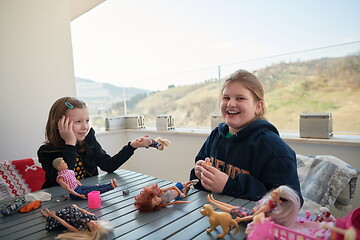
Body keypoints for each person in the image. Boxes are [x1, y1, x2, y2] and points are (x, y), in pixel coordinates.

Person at [189, 69, 303, 204]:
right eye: (226, 98)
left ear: (258, 106)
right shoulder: (215, 136)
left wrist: (229, 185)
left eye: (240, 98)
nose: (231, 103)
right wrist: (199, 173)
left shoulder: (272, 146)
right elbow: (198, 179)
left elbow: (290, 201)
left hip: (252, 223)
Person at [38, 96, 155, 189]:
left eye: (87, 121)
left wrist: (132, 146)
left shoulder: (89, 142)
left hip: (87, 197)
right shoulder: (46, 152)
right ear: (59, 124)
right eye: (78, 121)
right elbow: (64, 181)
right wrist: (70, 143)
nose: (85, 127)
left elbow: (109, 165)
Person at [207, 185, 301, 227]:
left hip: (247, 216)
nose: (272, 193)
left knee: (229, 209)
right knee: (231, 206)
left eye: (275, 194)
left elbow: (253, 216)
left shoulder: (267, 207)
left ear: (280, 200)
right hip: (248, 212)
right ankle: (213, 200)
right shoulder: (271, 205)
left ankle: (213, 202)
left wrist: (240, 219)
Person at [52, 157, 118, 200]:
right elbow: (68, 189)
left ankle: (109, 184)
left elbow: (74, 180)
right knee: (92, 191)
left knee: (93, 187)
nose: (66, 163)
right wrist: (79, 195)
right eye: (63, 163)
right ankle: (110, 187)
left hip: (79, 188)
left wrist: (81, 186)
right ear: (59, 167)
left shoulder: (69, 171)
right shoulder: (60, 178)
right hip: (75, 193)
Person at [40, 204, 113, 240]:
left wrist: (55, 217)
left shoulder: (81, 228)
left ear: (90, 231)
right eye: (96, 223)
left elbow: (66, 224)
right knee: (60, 212)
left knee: (56, 215)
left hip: (65, 218)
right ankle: (50, 214)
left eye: (93, 226)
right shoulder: (93, 217)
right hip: (72, 212)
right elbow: (85, 212)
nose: (93, 222)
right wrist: (77, 208)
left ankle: (48, 216)